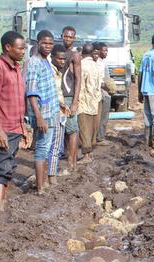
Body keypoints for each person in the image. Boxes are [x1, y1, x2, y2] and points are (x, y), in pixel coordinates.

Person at [0, 31, 27, 212]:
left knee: (9, 165)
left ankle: (0, 199)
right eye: (20, 48)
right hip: (4, 126)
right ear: (8, 47)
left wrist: (23, 127)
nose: (23, 51)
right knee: (1, 166)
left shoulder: (16, 67)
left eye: (24, 47)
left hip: (15, 126)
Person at [25, 29, 60, 193]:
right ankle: (40, 188)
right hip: (43, 115)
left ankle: (44, 182)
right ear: (38, 43)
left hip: (51, 112)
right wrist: (38, 117)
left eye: (50, 43)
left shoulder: (46, 61)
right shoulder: (34, 62)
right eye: (44, 43)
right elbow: (31, 92)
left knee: (46, 148)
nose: (48, 46)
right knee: (41, 150)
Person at [76, 43, 103, 163]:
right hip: (95, 100)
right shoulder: (97, 66)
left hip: (83, 100)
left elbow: (80, 84)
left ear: (82, 52)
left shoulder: (81, 65)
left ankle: (86, 155)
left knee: (84, 128)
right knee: (92, 127)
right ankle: (90, 152)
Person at [61, 26, 82, 172]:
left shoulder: (75, 56)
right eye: (65, 36)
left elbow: (78, 79)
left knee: (72, 130)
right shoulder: (58, 53)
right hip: (60, 97)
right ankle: (70, 158)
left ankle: (72, 162)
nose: (67, 39)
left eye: (70, 37)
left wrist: (75, 101)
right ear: (61, 36)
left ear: (74, 39)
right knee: (64, 130)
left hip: (69, 97)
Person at [51, 44, 73, 175]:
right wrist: (61, 104)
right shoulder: (50, 71)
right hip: (53, 110)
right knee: (54, 146)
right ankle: (51, 174)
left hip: (60, 109)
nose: (63, 62)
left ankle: (52, 172)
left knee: (57, 144)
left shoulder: (58, 71)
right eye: (60, 59)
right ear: (52, 57)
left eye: (64, 59)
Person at [95, 42, 111, 145]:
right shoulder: (98, 63)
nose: (106, 52)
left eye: (107, 50)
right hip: (102, 93)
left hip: (105, 92)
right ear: (98, 51)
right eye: (104, 50)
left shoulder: (102, 62)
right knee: (102, 116)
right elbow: (99, 81)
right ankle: (99, 138)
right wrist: (108, 88)